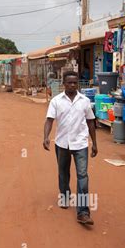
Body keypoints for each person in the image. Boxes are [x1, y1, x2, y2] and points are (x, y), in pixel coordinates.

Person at [43, 71, 98, 225]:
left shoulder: (85, 101)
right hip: (62, 143)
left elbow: (91, 122)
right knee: (63, 173)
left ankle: (83, 212)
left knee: (83, 176)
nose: (73, 85)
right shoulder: (56, 101)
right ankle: (65, 196)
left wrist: (94, 143)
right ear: (64, 84)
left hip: (80, 143)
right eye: (69, 83)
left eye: (75, 82)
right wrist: (46, 137)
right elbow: (49, 120)